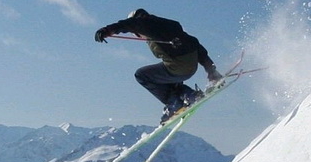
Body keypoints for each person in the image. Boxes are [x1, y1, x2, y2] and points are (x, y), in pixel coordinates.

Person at [94, 9, 224, 121]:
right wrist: (212, 72)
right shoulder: (168, 25)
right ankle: (190, 95)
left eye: (136, 34)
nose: (139, 36)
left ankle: (174, 104)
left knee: (141, 75)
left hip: (177, 66)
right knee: (164, 77)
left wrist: (108, 30)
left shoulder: (146, 23)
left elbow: (130, 24)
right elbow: (195, 44)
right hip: (190, 67)